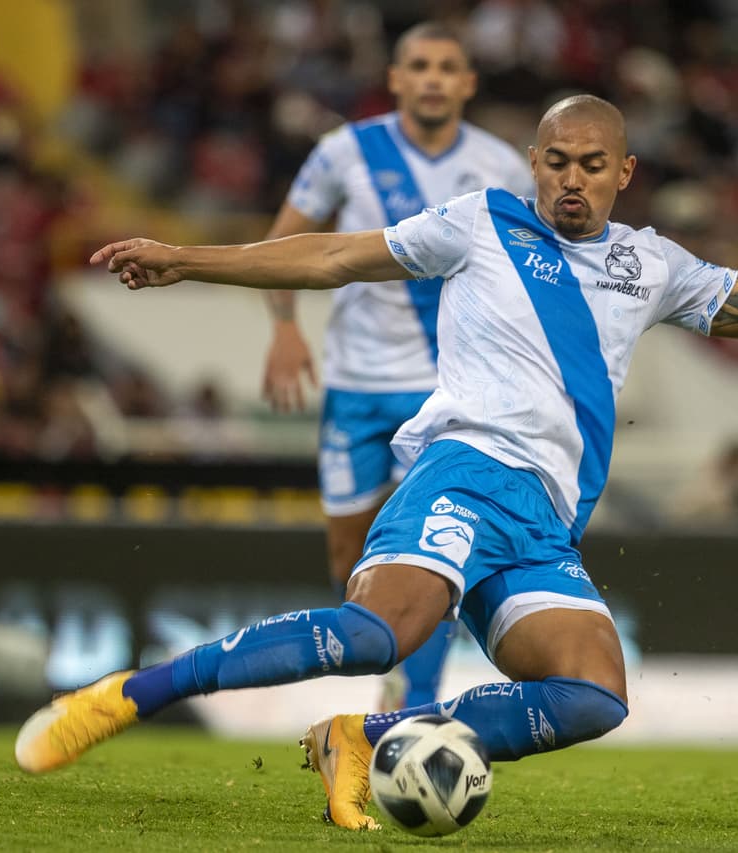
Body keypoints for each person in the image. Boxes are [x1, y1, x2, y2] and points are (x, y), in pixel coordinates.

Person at [16, 94, 738, 831]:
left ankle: (364, 735)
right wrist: (188, 259)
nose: (572, 179)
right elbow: (334, 256)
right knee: (375, 635)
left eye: (592, 164)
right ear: (533, 163)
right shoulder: (480, 223)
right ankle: (129, 694)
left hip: (545, 521)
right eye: (556, 161)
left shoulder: (654, 266)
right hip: (464, 471)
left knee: (595, 694)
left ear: (625, 171)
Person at [258, 22, 532, 711]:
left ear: (467, 83)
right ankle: (393, 666)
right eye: (420, 65)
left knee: (433, 554)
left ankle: (417, 701)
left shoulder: (502, 166)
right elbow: (282, 244)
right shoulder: (344, 151)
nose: (433, 77)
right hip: (354, 385)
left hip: (445, 393)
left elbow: (533, 273)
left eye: (447, 66)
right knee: (348, 558)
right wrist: (284, 327)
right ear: (396, 78)